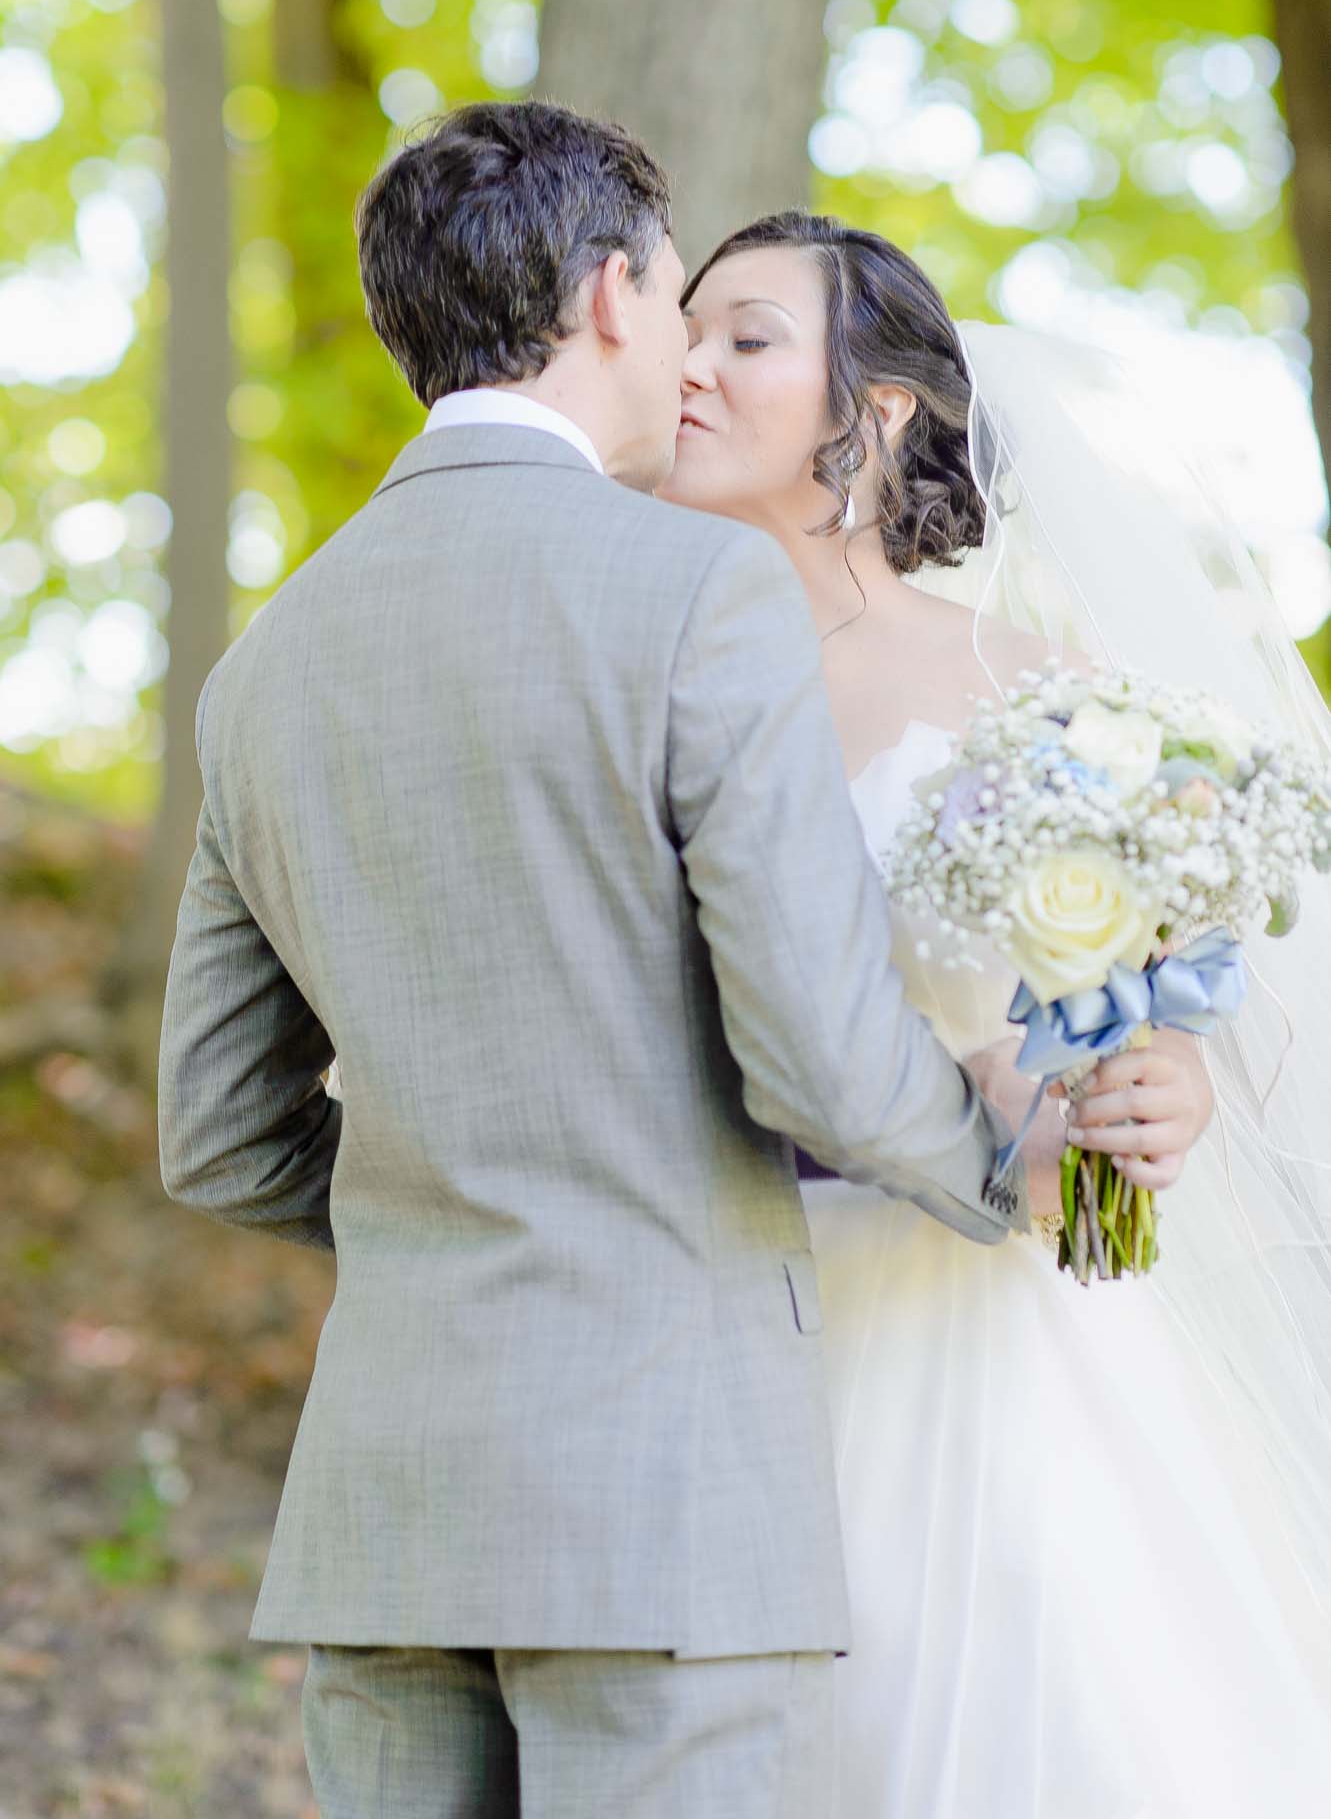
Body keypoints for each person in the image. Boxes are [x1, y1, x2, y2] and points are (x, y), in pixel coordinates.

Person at [156, 104, 1051, 1819]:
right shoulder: (692, 594)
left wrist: (456, 1190)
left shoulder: (264, 669)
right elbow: (811, 1052)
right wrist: (998, 1156)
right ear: (618, 293)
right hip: (666, 1488)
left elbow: (219, 1132)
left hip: (388, 1507)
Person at [659, 208, 1331, 1817]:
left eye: (743, 336)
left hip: (998, 1333)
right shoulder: (641, 676)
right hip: (721, 1331)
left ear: (874, 410)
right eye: (683, 331)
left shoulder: (1038, 690)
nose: (685, 365)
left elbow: (1163, 1000)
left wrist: (1159, 1080)